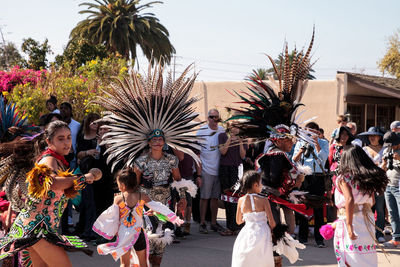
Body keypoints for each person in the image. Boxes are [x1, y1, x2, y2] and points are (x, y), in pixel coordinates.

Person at [96, 63, 202, 267]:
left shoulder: (171, 159)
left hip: (165, 203)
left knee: (160, 243)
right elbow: (134, 185)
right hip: (144, 204)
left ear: (165, 140)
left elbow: (178, 181)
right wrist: (131, 204)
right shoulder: (140, 160)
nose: (157, 142)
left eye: (160, 139)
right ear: (147, 142)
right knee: (143, 241)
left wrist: (182, 200)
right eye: (154, 139)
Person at [0, 120, 97, 266]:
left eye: (69, 137)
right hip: (37, 228)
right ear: (48, 141)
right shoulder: (48, 160)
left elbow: (63, 185)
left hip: (37, 228)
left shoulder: (58, 161)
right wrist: (84, 177)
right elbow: (52, 183)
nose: (66, 142)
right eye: (60, 138)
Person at [93, 168, 183, 267]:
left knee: (124, 264)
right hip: (138, 234)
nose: (118, 187)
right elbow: (157, 206)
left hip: (124, 235)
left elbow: (113, 217)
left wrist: (111, 231)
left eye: (118, 184)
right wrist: (173, 217)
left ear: (122, 185)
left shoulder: (118, 199)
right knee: (143, 264)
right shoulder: (142, 196)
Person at [333, 145, 388, 267]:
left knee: (348, 253)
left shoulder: (344, 178)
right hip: (366, 218)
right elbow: (372, 201)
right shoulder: (366, 177)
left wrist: (349, 226)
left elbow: (349, 199)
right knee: (366, 254)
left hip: (350, 217)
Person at [292, 122, 329, 247]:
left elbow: (323, 158)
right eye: (308, 131)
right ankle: (303, 238)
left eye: (314, 131)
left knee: (318, 209)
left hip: (318, 178)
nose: (311, 134)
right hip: (304, 177)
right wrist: (302, 150)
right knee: (304, 208)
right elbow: (294, 160)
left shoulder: (324, 143)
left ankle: (320, 239)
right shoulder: (300, 143)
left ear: (318, 132)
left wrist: (316, 143)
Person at [232, 170, 276, 267]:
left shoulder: (241, 200)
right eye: (260, 183)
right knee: (262, 257)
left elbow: (238, 221)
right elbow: (272, 222)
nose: (261, 185)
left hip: (247, 231)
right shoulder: (264, 200)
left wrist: (249, 218)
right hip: (262, 232)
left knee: (247, 257)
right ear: (255, 185)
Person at [197, 109, 225, 234]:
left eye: (216, 117)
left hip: (219, 169)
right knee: (204, 198)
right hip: (206, 169)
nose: (214, 120)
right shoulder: (201, 132)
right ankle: (202, 223)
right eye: (212, 117)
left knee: (215, 198)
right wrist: (198, 174)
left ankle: (213, 222)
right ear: (208, 118)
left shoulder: (222, 130)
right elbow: (197, 154)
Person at [218, 122, 247, 236]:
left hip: (237, 169)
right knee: (227, 197)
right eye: (233, 125)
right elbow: (223, 151)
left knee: (236, 197)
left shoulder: (243, 137)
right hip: (225, 168)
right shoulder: (222, 136)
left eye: (238, 125)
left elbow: (243, 155)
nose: (235, 128)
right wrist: (230, 139)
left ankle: (237, 226)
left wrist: (240, 141)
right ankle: (229, 226)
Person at [75, 113, 101, 240]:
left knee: (96, 202)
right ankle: (86, 230)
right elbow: (78, 154)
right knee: (86, 202)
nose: (94, 124)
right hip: (85, 172)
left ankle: (94, 231)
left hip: (99, 173)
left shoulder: (100, 137)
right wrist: (88, 152)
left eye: (97, 122)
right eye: (92, 122)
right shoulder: (82, 136)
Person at [359, 126, 386, 243]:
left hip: (381, 182)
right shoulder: (364, 150)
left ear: (379, 137)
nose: (371, 138)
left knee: (380, 209)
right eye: (370, 136)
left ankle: (379, 232)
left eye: (374, 135)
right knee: (366, 207)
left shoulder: (385, 149)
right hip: (368, 182)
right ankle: (366, 232)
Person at [381, 131, 400, 248]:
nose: (391, 147)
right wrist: (383, 164)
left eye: (392, 144)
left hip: (399, 186)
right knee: (392, 214)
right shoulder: (387, 151)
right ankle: (396, 238)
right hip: (388, 186)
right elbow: (383, 169)